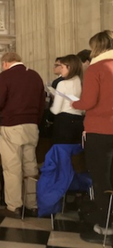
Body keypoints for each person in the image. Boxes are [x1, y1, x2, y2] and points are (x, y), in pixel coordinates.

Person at [0, 52, 45, 218]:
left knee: (12, 167)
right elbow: (42, 102)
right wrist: (35, 120)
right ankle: (32, 204)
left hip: (12, 125)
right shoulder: (35, 76)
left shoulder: (5, 76)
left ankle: (14, 206)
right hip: (32, 125)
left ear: (6, 63)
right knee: (30, 165)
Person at [72, 30, 113, 240]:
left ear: (96, 46)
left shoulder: (96, 68)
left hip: (100, 131)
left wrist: (73, 102)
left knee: (101, 179)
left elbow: (88, 102)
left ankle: (105, 223)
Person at [50, 55, 83, 144]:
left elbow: (56, 110)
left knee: (62, 154)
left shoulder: (62, 84)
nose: (61, 70)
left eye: (62, 67)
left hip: (64, 122)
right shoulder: (81, 82)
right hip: (79, 121)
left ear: (70, 67)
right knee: (76, 154)